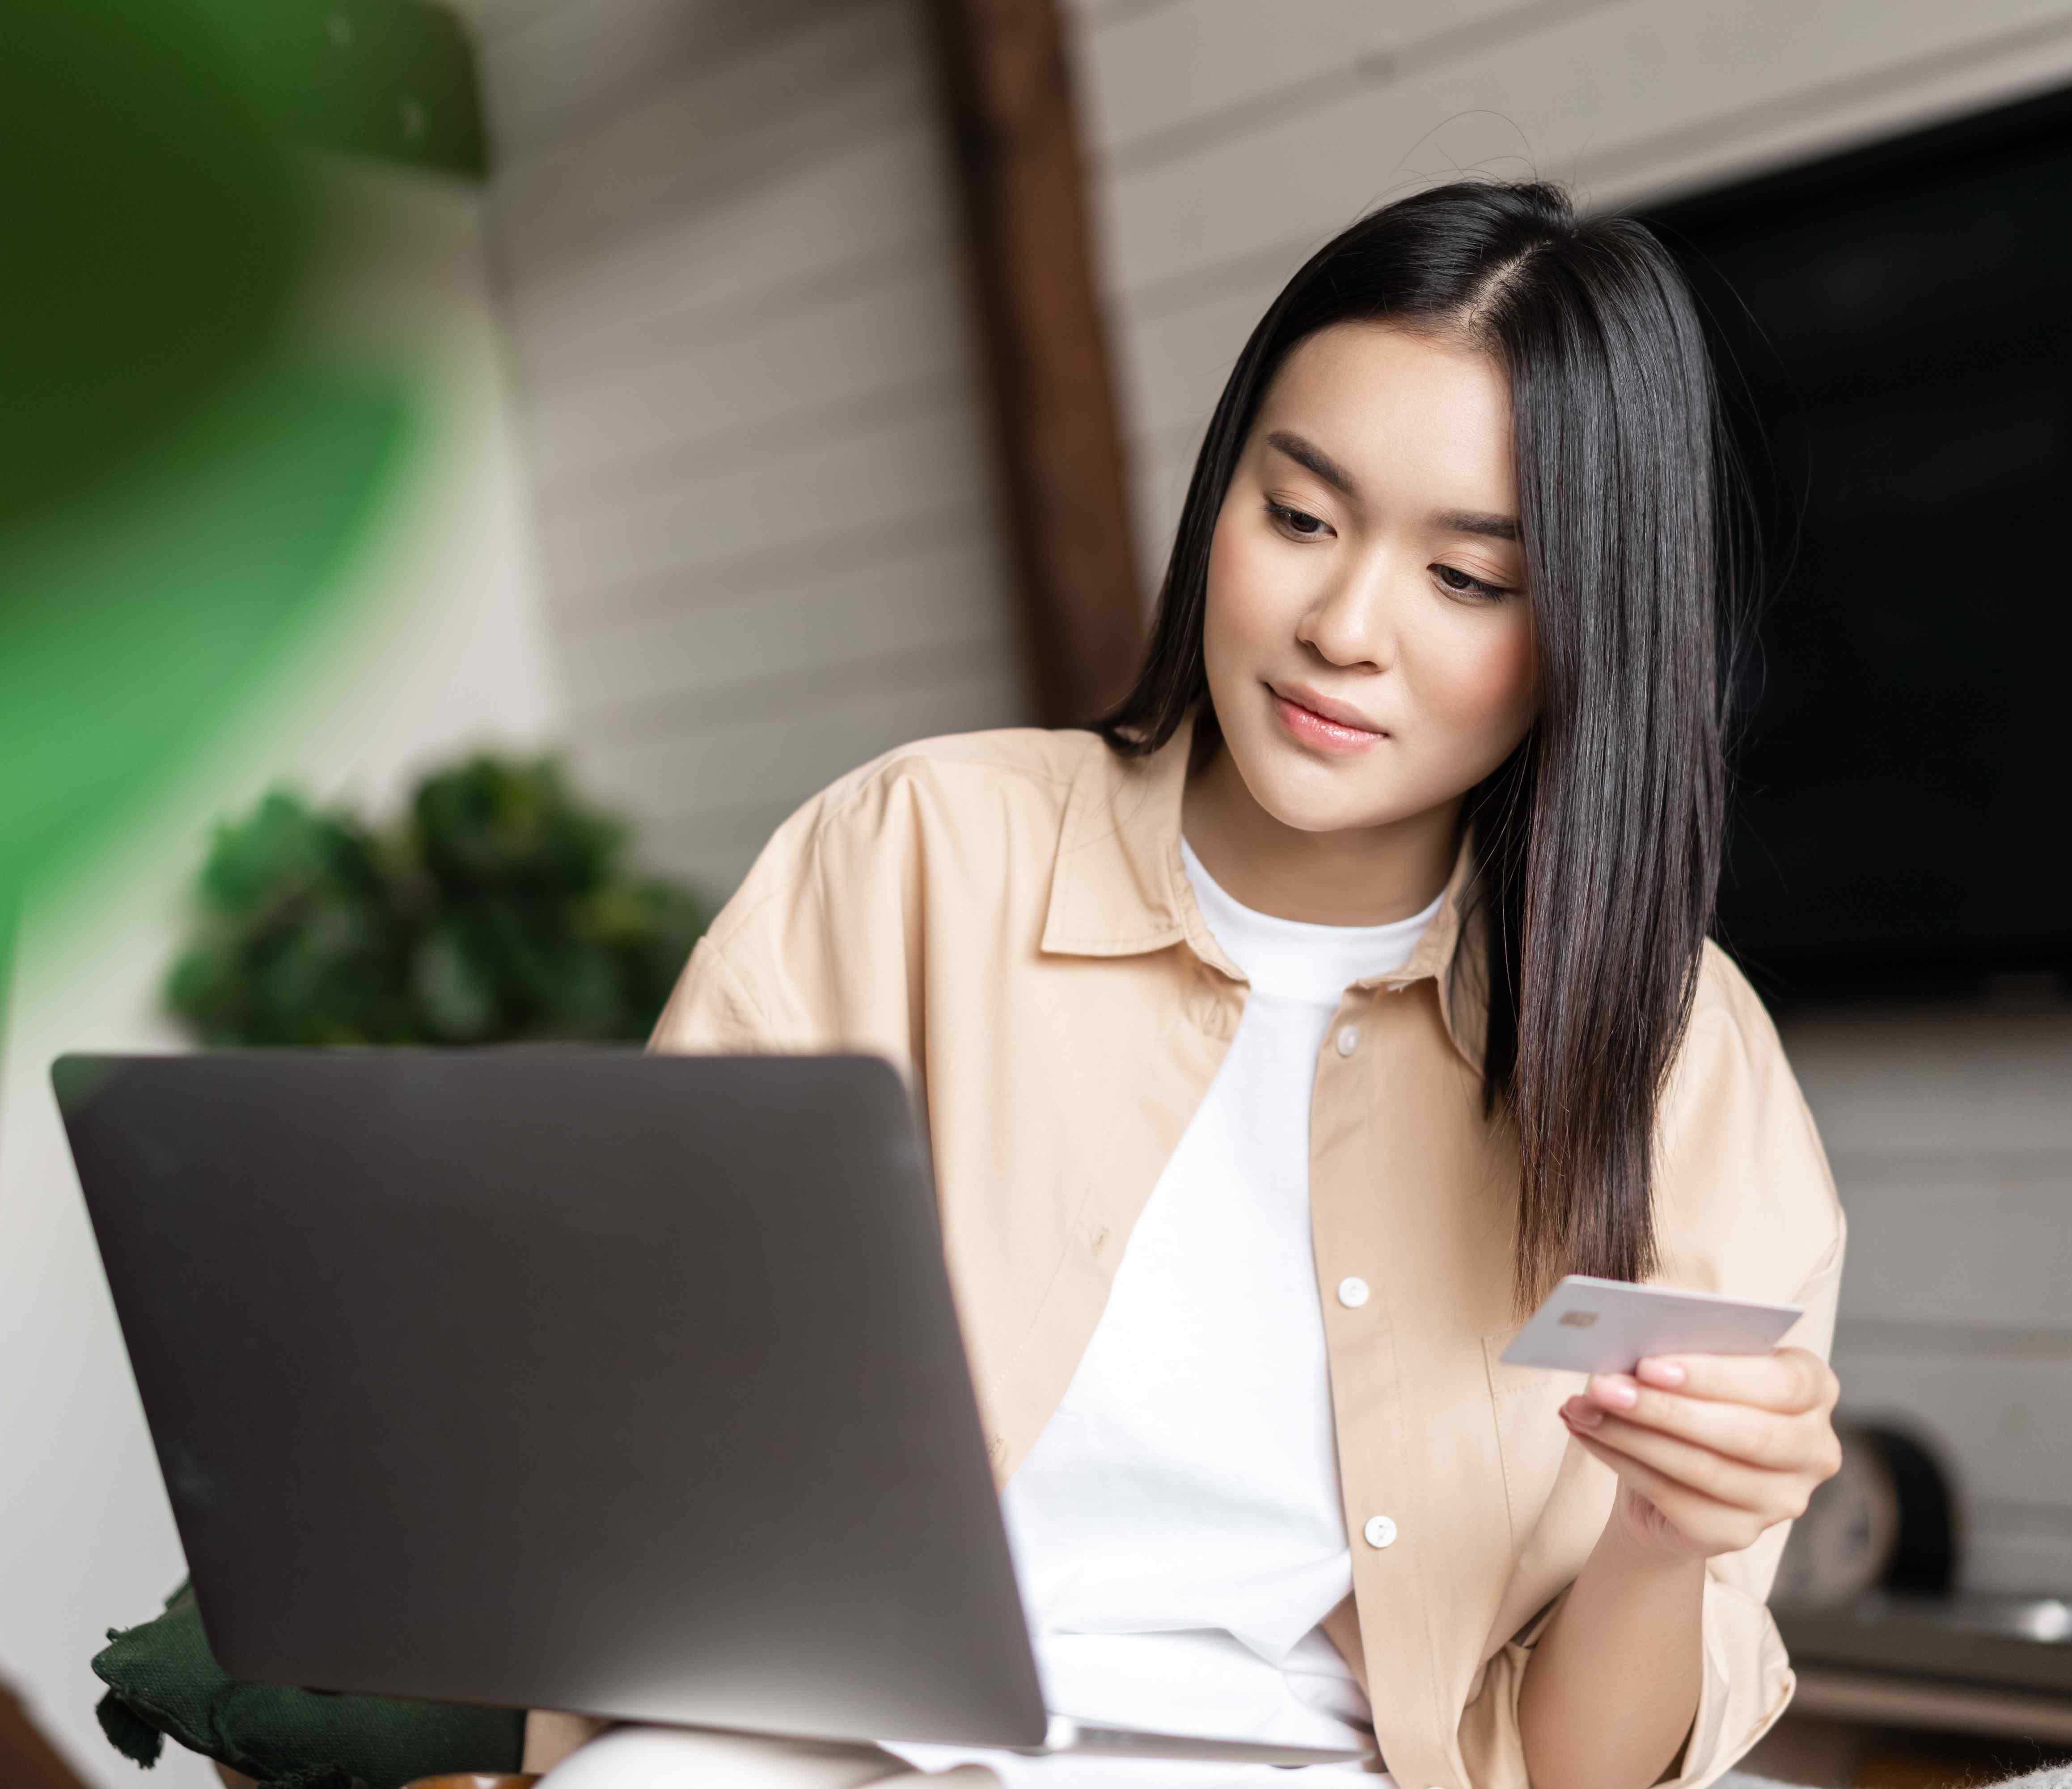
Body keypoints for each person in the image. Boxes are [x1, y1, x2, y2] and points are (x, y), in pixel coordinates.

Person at [546, 179, 1844, 1789]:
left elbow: (1576, 1775)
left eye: (1468, 580)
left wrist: (1664, 1540)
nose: (1341, 627)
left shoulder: (1679, 1055)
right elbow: (627, 1413)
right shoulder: (916, 856)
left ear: (1591, 626)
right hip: (823, 1746)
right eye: (1299, 519)